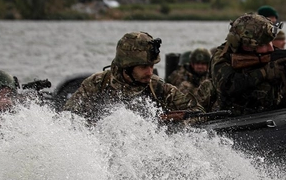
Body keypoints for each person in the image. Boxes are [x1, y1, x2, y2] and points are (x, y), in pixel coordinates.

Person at [63, 32, 199, 122]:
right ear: (127, 67)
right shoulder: (97, 84)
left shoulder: (157, 87)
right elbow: (69, 118)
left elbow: (197, 113)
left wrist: (168, 120)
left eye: (152, 66)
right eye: (144, 67)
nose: (150, 72)